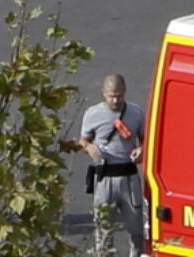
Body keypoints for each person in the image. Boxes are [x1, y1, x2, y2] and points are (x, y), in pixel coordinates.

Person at [80, 74, 145, 257]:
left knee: (137, 231)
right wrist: (90, 147)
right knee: (104, 232)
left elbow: (146, 139)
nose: (115, 100)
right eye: (111, 96)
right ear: (103, 93)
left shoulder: (136, 112)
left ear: (125, 93)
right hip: (104, 178)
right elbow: (83, 140)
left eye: (119, 95)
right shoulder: (93, 114)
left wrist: (141, 149)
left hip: (129, 177)